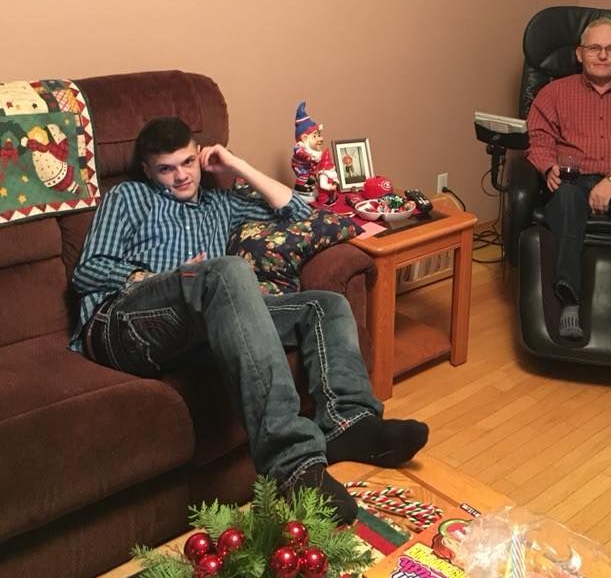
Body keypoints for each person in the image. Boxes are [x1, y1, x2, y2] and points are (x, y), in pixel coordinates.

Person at [71, 117, 428, 525]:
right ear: (148, 170)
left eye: (187, 162)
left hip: (197, 321)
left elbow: (297, 210)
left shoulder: (220, 203)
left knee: (324, 306)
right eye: (166, 169)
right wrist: (168, 278)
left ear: (200, 157)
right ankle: (292, 467)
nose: (180, 175)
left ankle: (350, 423)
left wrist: (235, 164)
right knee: (226, 271)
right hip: (123, 324)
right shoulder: (130, 197)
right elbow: (87, 271)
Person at [526, 17, 611, 349]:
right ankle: (569, 299)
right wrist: (548, 167)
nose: (603, 55)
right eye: (594, 48)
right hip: (572, 179)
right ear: (579, 53)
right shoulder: (553, 93)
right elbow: (539, 139)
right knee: (566, 200)